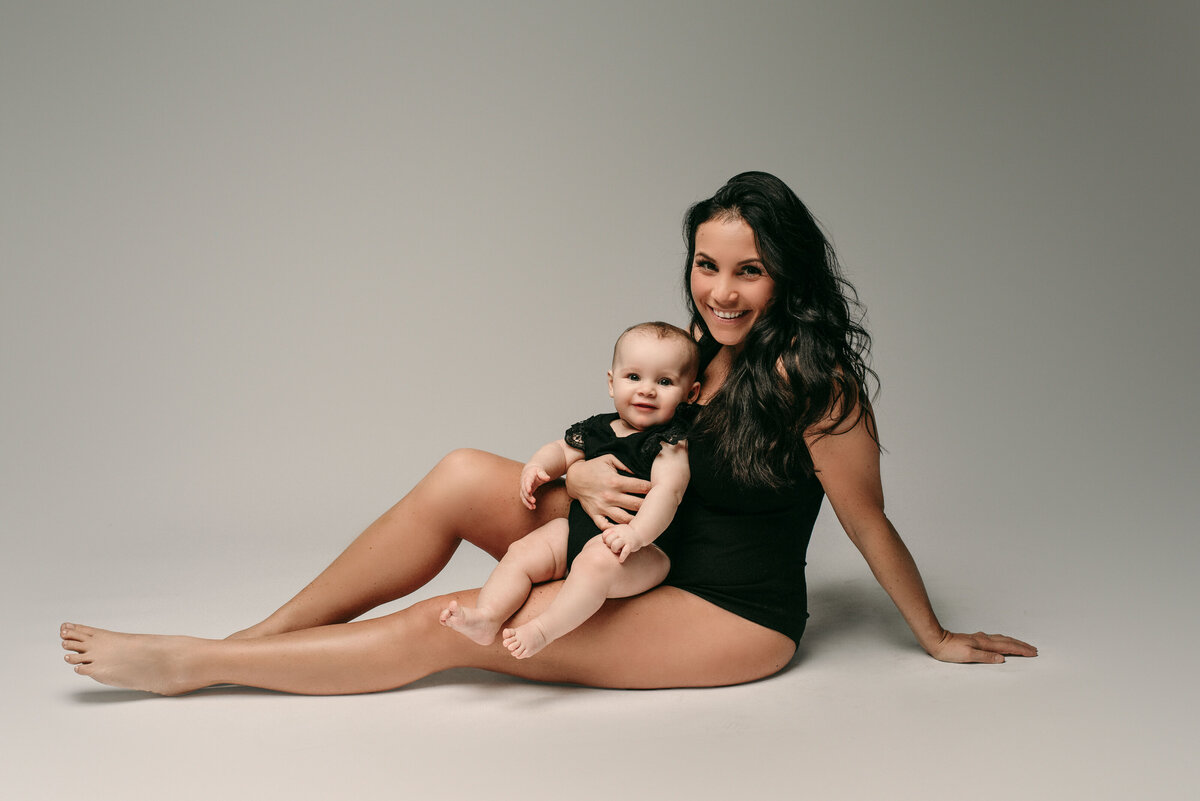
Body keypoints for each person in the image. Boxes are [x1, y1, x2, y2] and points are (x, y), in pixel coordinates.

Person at [60, 171, 1036, 696]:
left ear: (788, 275)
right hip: (644, 540)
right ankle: (263, 636)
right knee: (456, 473)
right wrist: (599, 475)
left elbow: (867, 523)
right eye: (706, 265)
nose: (720, 291)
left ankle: (197, 664)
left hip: (725, 611)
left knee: (453, 627)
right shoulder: (700, 347)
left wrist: (937, 637)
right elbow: (646, 442)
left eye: (747, 272)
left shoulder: (816, 383)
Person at [440, 321, 700, 659]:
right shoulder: (597, 428)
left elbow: (669, 494)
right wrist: (538, 467)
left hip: (644, 553)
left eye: (664, 382)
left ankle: (544, 630)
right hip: (579, 532)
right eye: (634, 377)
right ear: (612, 382)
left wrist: (636, 535)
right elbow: (561, 451)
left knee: (595, 562)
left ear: (690, 394)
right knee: (522, 552)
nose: (646, 390)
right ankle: (487, 617)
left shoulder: (668, 445)